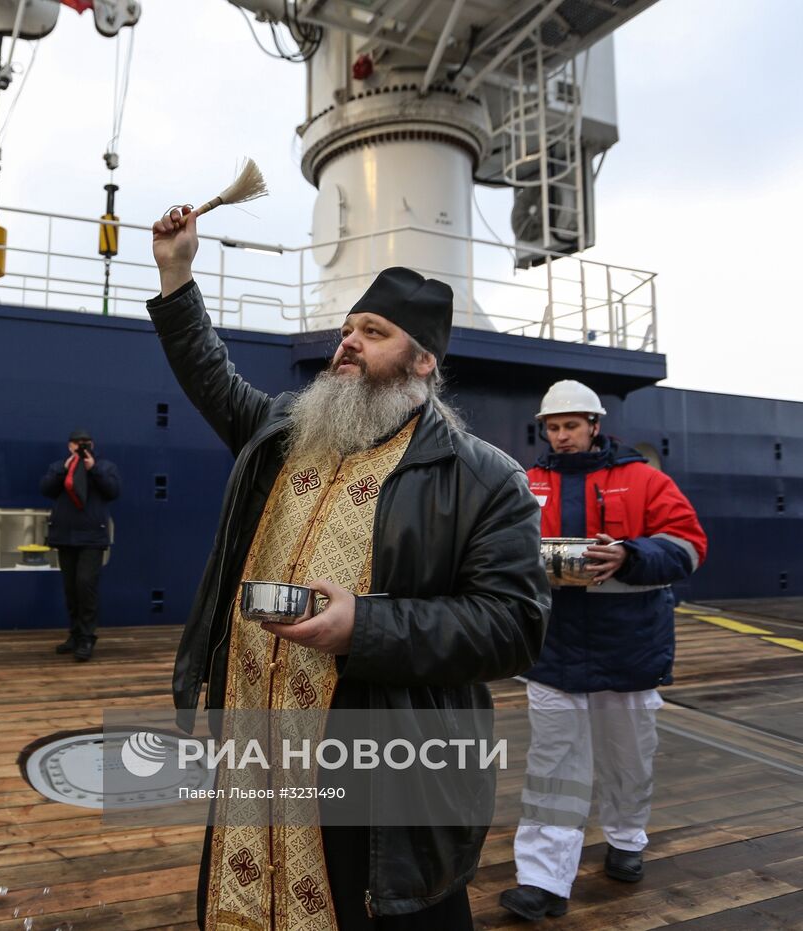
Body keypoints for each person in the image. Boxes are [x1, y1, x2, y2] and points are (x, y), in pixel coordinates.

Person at [149, 205, 550, 930]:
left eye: (373, 332)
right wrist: (177, 273)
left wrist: (364, 626)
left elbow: (513, 626)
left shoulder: (485, 479)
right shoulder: (286, 433)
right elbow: (210, 375)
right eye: (347, 329)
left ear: (422, 360)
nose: (348, 343)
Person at [499, 380, 707, 921]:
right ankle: (542, 878)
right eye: (553, 427)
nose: (561, 436)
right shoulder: (527, 484)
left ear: (595, 425)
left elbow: (688, 545)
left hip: (629, 649)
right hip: (554, 651)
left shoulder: (645, 480)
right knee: (553, 767)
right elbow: (499, 545)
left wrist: (630, 556)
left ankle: (627, 839)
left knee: (627, 760)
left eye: (571, 425)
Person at [40, 429, 120, 661]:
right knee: (71, 589)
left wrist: (93, 469)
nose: (82, 446)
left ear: (93, 445)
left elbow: (114, 491)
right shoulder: (59, 467)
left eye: (86, 443)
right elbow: (46, 489)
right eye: (77, 443)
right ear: (69, 446)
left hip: (92, 538)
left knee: (86, 585)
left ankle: (87, 637)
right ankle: (75, 635)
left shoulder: (105, 467)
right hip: (65, 536)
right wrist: (62, 470)